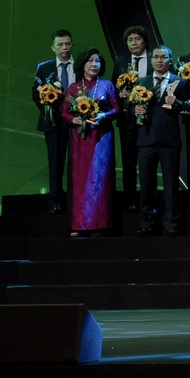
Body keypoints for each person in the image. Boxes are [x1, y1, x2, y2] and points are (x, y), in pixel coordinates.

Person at [60, 48, 118, 237]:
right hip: (80, 138)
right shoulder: (74, 88)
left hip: (102, 137)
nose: (94, 64)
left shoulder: (107, 85)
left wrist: (104, 115)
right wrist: (75, 120)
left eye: (98, 61)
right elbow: (64, 112)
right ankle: (79, 224)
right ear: (83, 64)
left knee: (100, 178)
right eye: (91, 61)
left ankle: (101, 224)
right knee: (80, 179)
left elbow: (116, 109)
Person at [136, 46, 190, 237]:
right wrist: (136, 110)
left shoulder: (180, 82)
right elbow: (132, 105)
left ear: (170, 60)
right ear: (151, 60)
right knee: (146, 183)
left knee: (171, 184)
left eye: (164, 57)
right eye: (156, 57)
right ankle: (147, 222)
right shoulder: (141, 82)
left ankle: (172, 223)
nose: (160, 60)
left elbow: (189, 107)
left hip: (170, 140)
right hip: (146, 139)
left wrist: (177, 103)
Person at [32, 29, 75, 214]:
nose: (64, 47)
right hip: (53, 122)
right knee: (55, 161)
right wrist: (48, 107)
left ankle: (76, 198)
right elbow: (35, 93)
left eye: (67, 44)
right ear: (53, 47)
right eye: (60, 44)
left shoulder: (80, 67)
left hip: (75, 121)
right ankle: (56, 199)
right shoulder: (44, 67)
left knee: (76, 161)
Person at [111, 24, 152, 213]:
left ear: (144, 41)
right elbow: (113, 89)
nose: (134, 43)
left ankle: (148, 199)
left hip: (150, 119)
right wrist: (120, 94)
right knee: (129, 161)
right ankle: (130, 200)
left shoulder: (154, 59)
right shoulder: (120, 63)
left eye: (137, 39)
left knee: (148, 162)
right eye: (130, 40)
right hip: (127, 120)